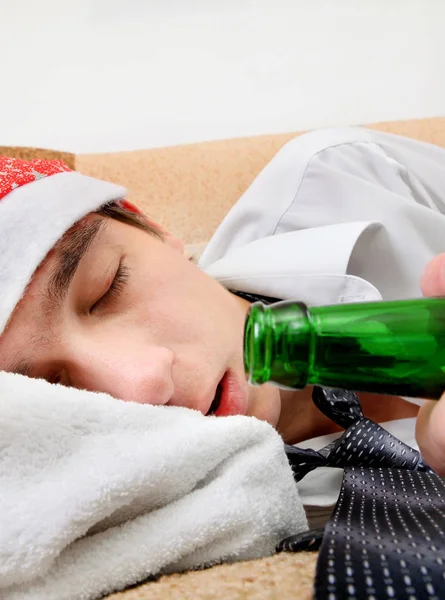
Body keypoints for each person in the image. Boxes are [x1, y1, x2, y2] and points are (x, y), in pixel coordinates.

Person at [1, 125, 445, 504]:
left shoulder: (348, 175)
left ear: (155, 230)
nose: (147, 382)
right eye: (51, 388)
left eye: (108, 285)